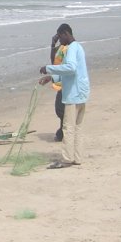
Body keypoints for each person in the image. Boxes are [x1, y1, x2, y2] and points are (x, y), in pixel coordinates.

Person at [39, 23, 90, 168]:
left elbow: (71, 68)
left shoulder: (72, 48)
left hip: (73, 95)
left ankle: (67, 159)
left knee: (68, 128)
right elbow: (71, 73)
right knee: (78, 128)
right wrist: (52, 77)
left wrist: (48, 68)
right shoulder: (78, 47)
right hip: (81, 93)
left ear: (65, 33)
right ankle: (77, 157)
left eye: (60, 36)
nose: (59, 41)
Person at [49, 34, 68, 142]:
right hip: (59, 82)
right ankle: (62, 131)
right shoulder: (59, 48)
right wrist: (52, 45)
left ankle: (62, 132)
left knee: (61, 109)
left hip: (64, 82)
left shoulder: (67, 49)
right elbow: (53, 61)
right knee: (60, 109)